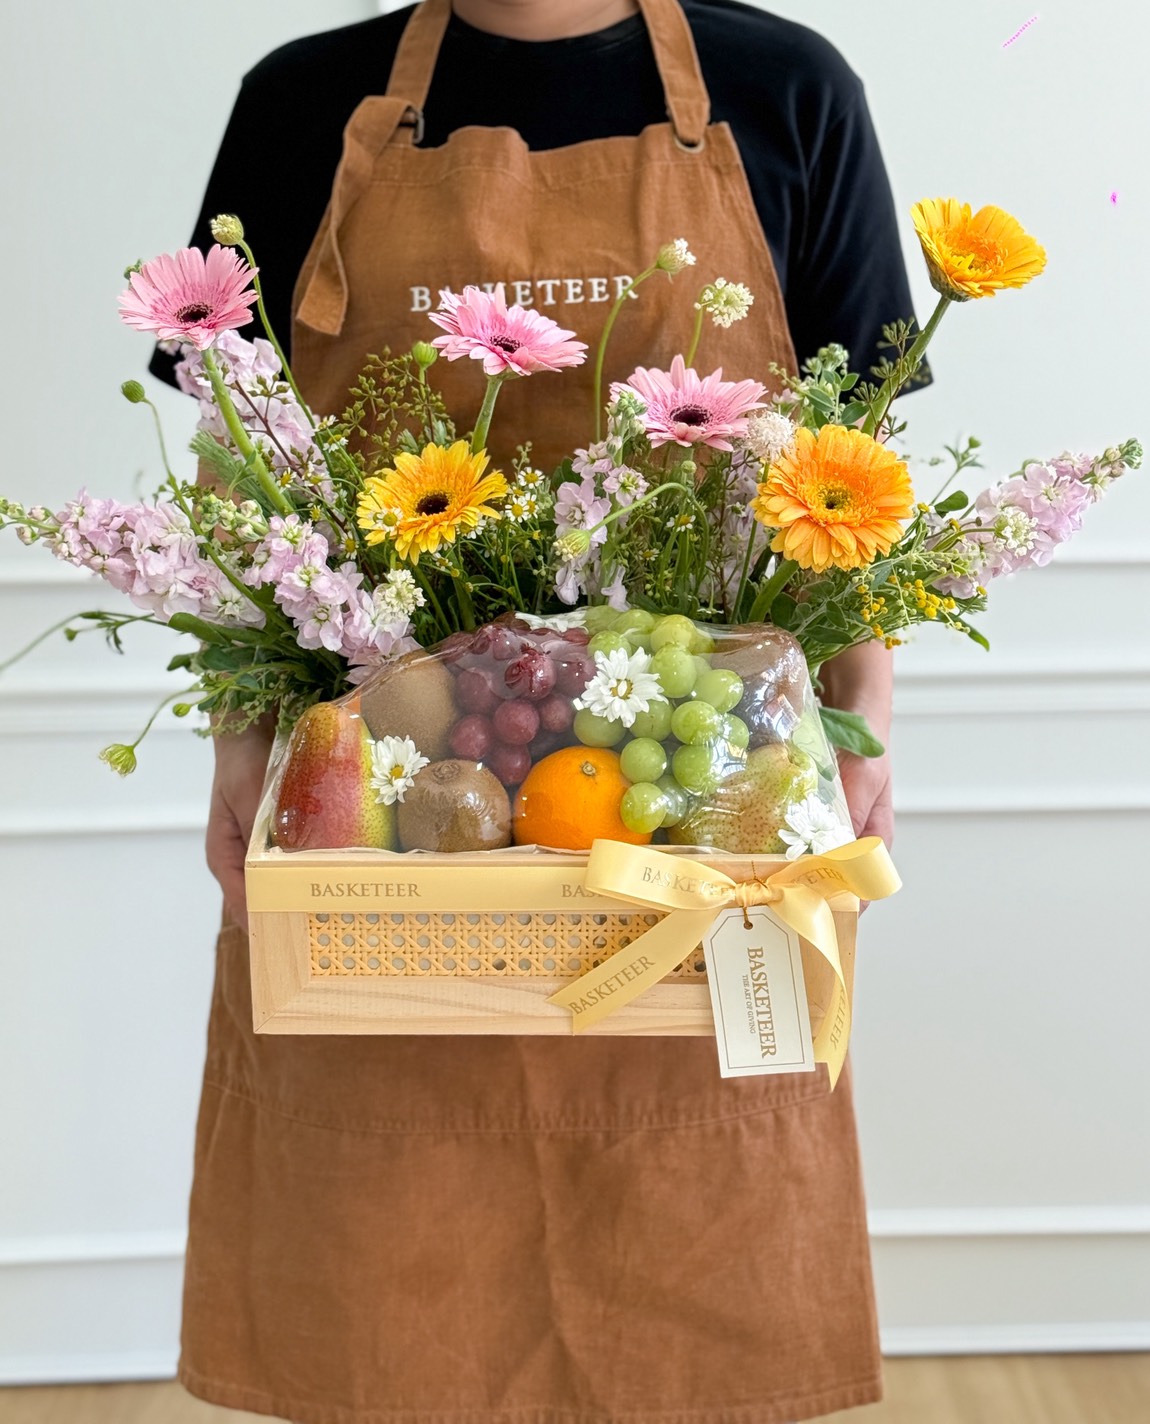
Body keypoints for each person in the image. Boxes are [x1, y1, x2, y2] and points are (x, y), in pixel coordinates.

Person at [150, 3, 928, 1420]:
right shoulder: (301, 100)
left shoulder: (784, 88)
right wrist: (242, 745)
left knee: (694, 1247)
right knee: (379, 1277)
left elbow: (850, 456)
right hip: (376, 824)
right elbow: (235, 456)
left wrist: (859, 718)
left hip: (692, 806)